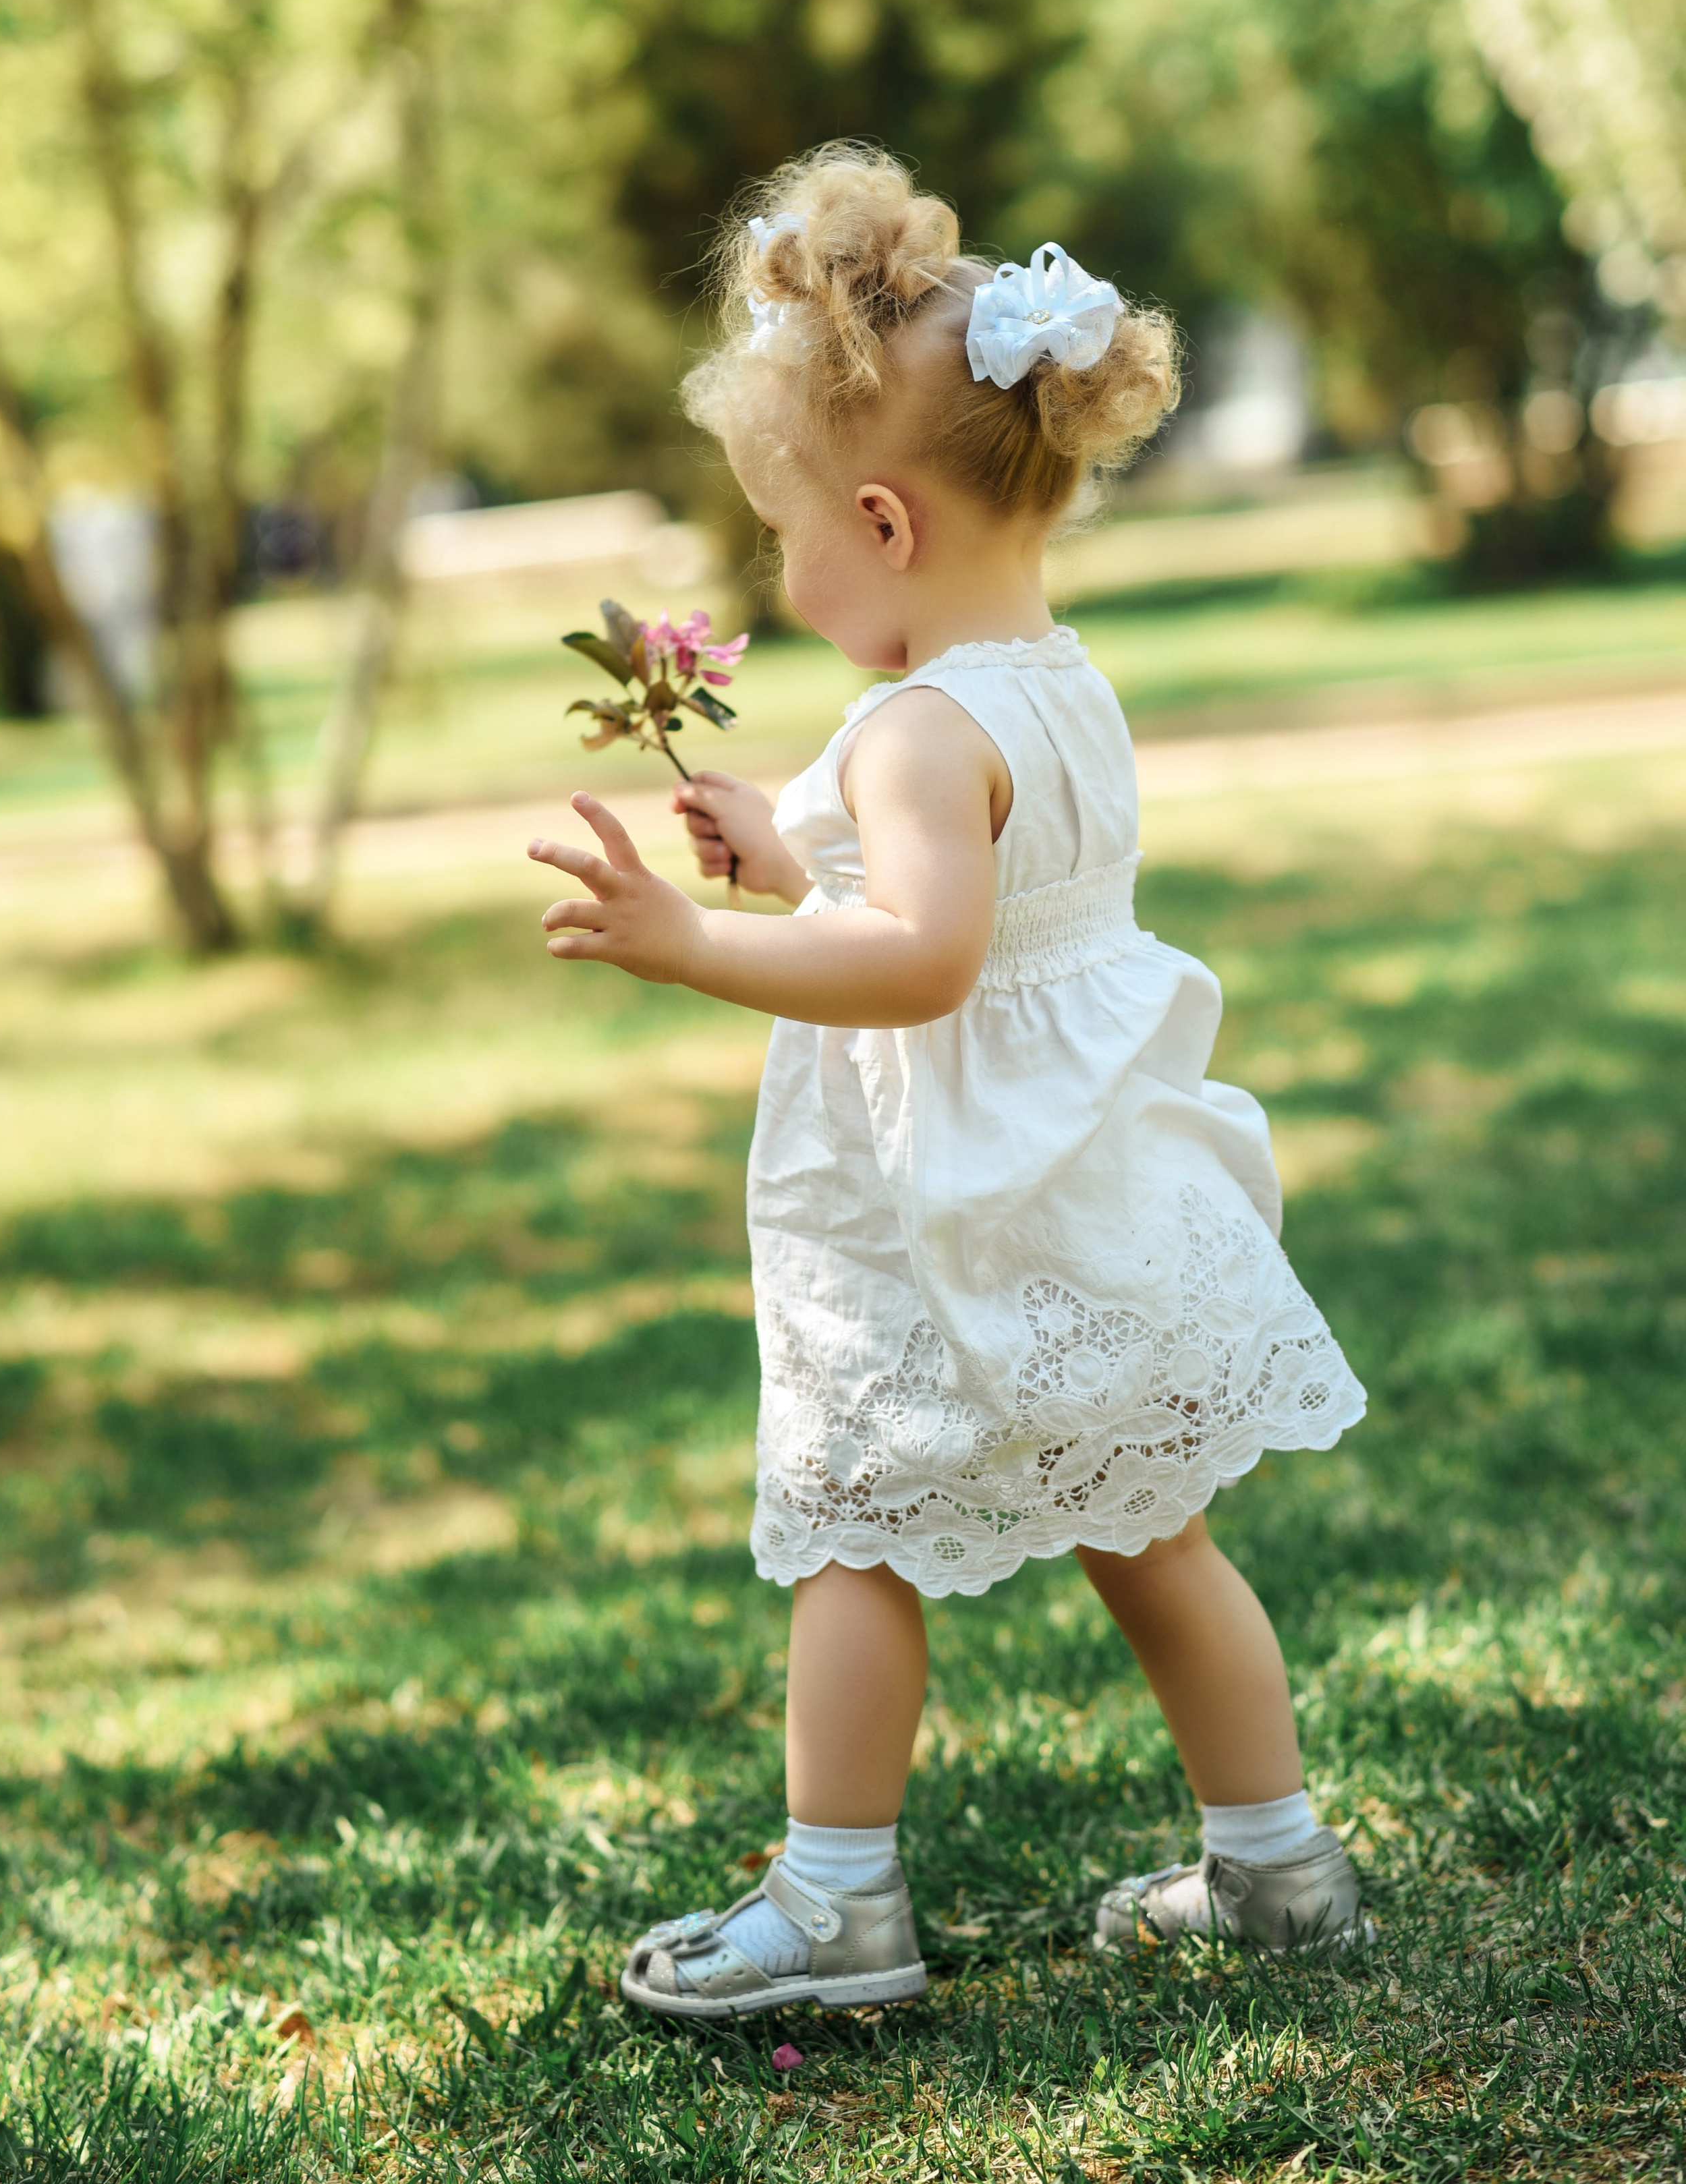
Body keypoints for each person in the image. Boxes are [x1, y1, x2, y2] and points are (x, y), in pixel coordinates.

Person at [528, 145, 1370, 2019]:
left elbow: (919, 951)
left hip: (939, 1208)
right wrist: (776, 839)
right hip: (1083, 1190)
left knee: (849, 1531)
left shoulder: (915, 727)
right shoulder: (1046, 680)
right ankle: (1279, 1867)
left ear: (886, 525)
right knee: (1159, 1538)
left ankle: (839, 1904)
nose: (781, 563)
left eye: (786, 528)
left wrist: (698, 940)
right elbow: (945, 864)